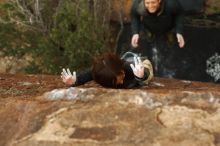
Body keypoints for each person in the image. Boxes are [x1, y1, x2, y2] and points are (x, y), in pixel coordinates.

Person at [61, 52, 153, 89]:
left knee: (144, 78)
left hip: (142, 64)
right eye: (117, 81)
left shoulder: (127, 67)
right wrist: (74, 81)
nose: (121, 82)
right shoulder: (99, 73)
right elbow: (84, 77)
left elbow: (147, 74)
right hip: (119, 64)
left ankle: (133, 58)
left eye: (122, 77)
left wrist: (141, 76)